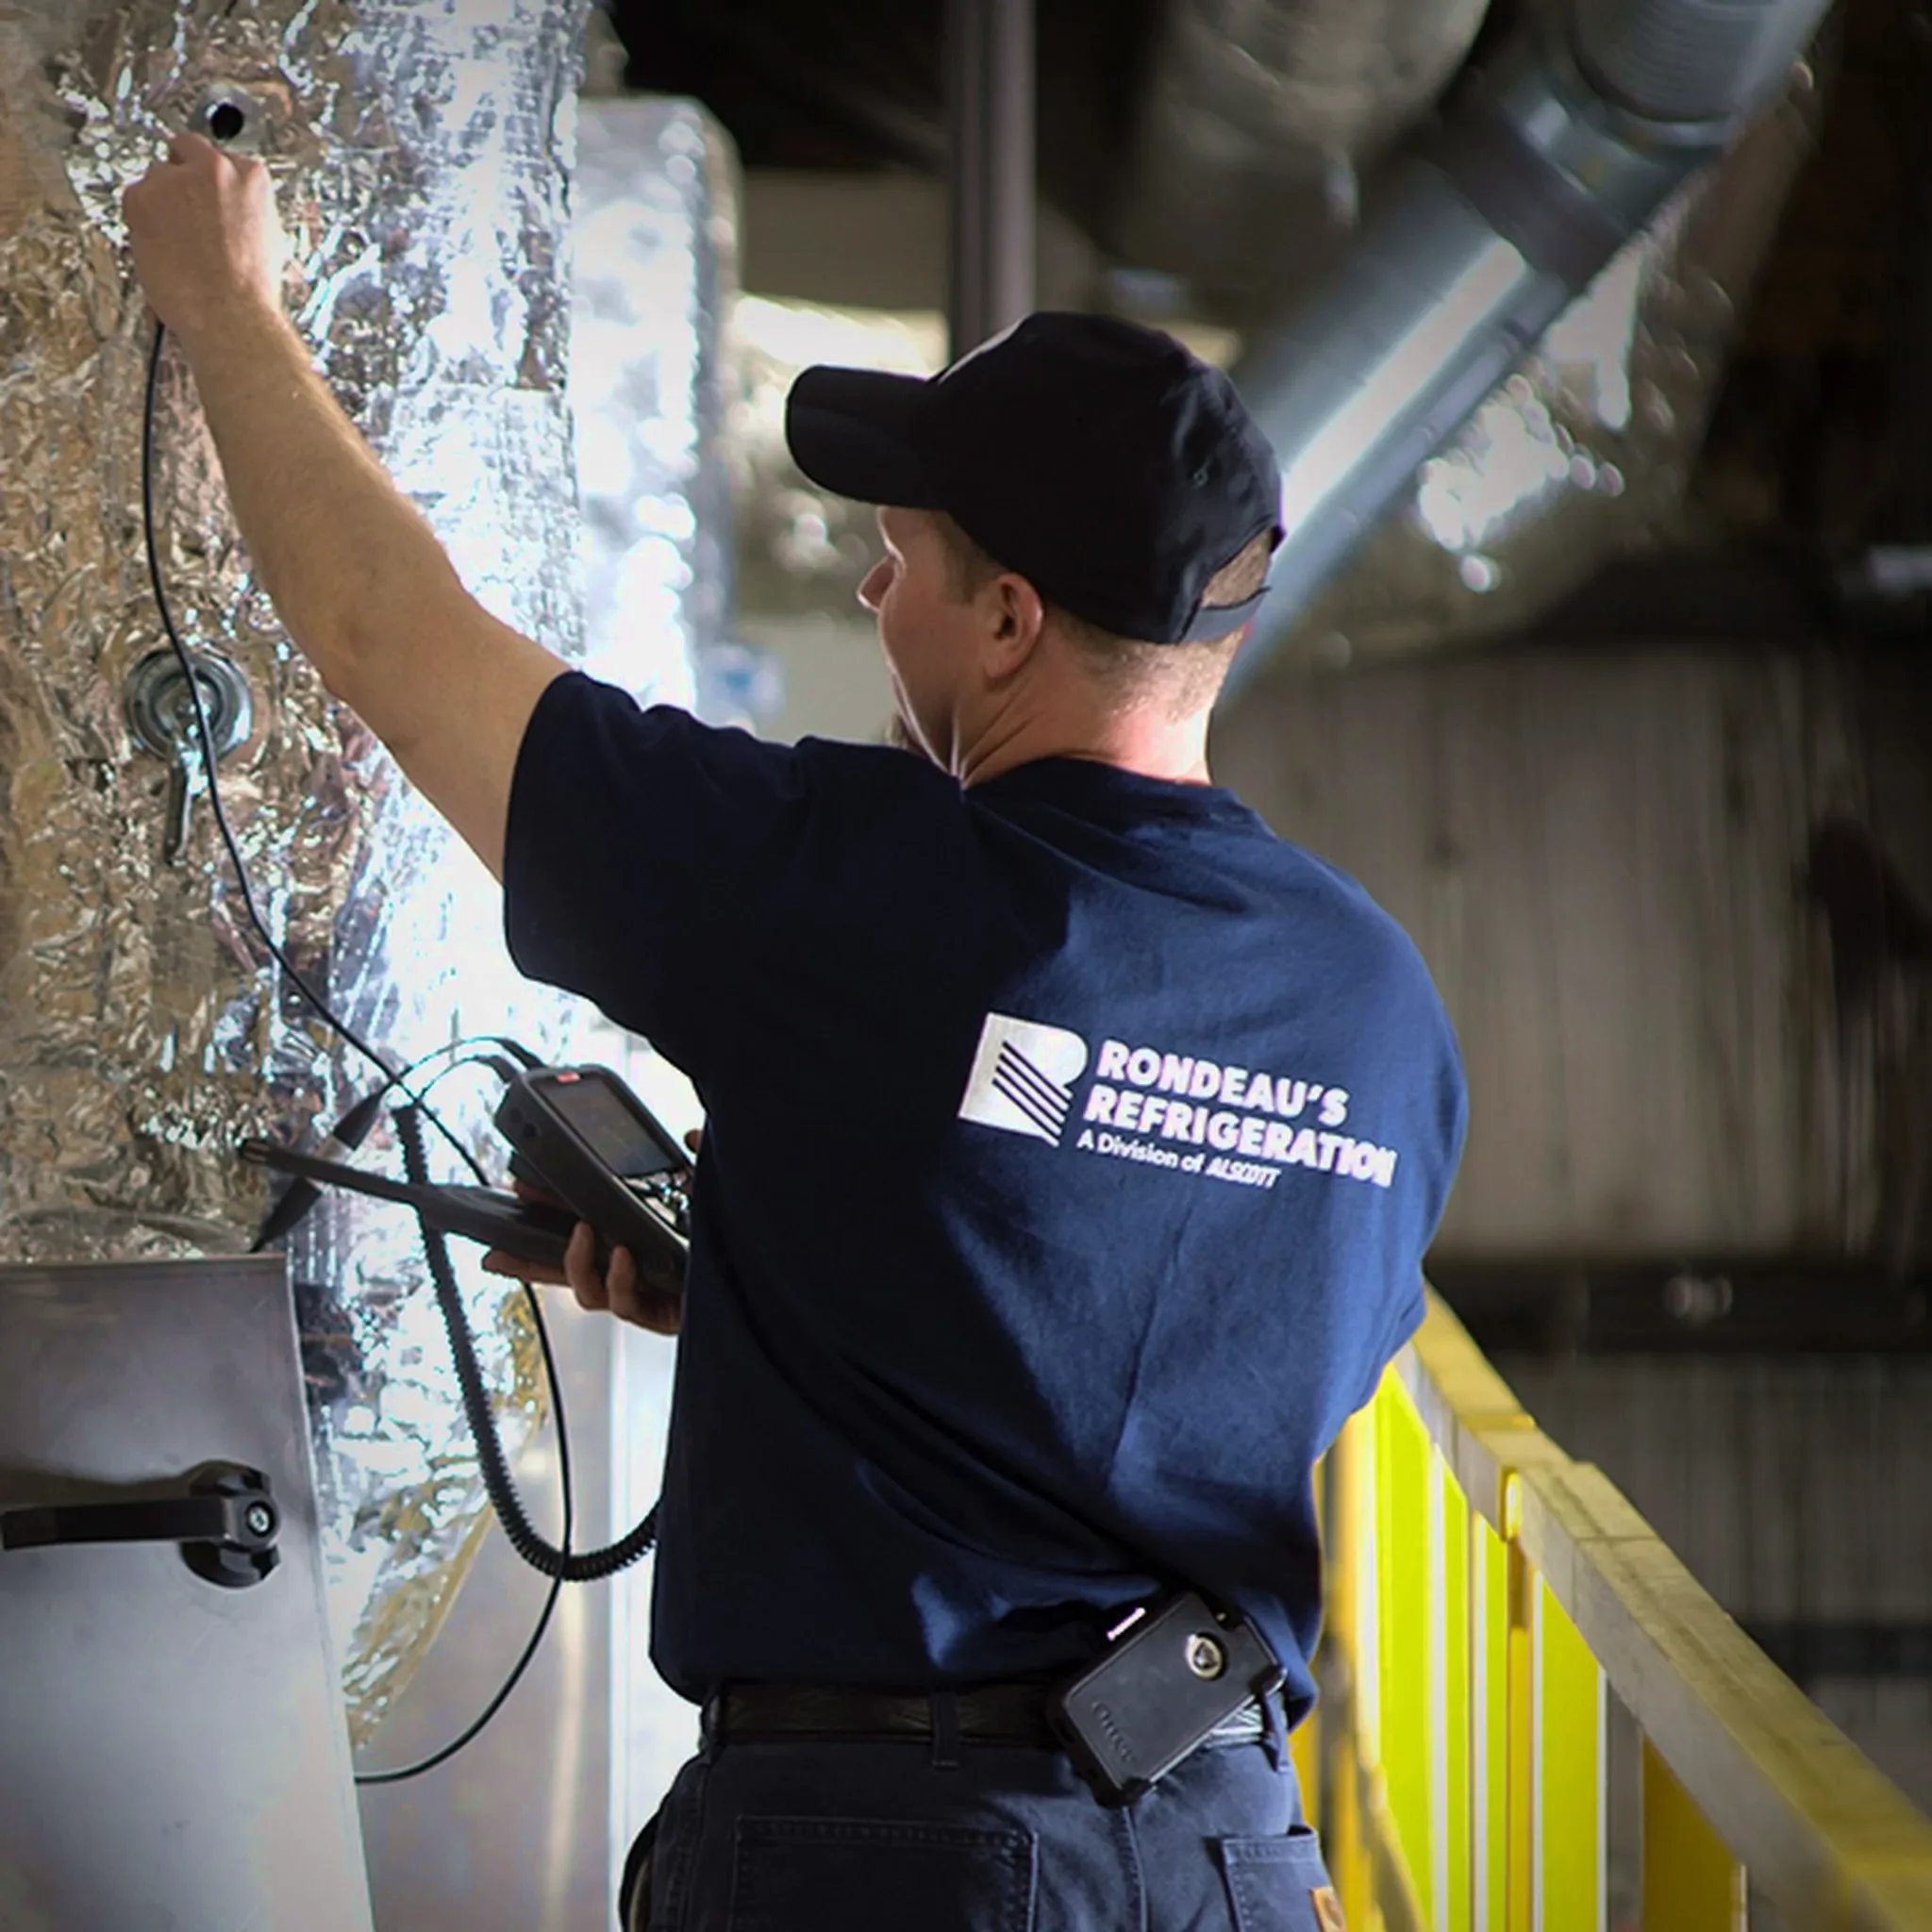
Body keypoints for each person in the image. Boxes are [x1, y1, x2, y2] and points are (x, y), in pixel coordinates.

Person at [125, 133, 1466, 1932]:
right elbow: (1182, 1343)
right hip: (1229, 1853)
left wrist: (223, 303)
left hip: (892, 1859)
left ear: (1010, 620)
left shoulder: (852, 890)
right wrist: (805, 1283)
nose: (868, 593)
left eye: (898, 557)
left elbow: (389, 637)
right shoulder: (1381, 1004)